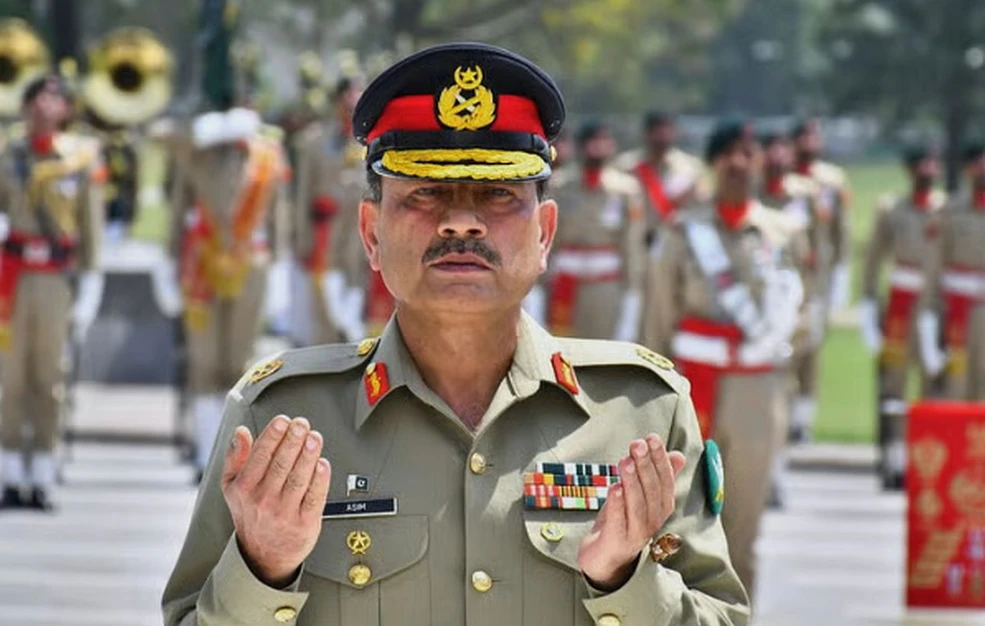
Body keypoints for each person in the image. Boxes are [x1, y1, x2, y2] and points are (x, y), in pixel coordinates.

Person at [162, 43, 748, 626]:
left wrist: (625, 582)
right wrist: (263, 572)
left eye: (497, 194)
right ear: (371, 233)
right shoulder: (279, 418)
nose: (461, 221)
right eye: (425, 192)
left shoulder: (642, 414)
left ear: (545, 234)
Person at [641, 118, 803, 598]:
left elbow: (805, 313)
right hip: (694, 387)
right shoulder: (683, 231)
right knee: (680, 527)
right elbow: (659, 319)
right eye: (727, 154)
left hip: (758, 391)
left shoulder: (784, 233)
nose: (738, 163)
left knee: (744, 529)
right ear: (713, 164)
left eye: (747, 152)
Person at [0, 75, 106, 511]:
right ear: (26, 107)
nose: (43, 106)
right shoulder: (8, 153)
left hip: (55, 280)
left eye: (53, 98)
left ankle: (42, 473)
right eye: (36, 98)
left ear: (65, 109)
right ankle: (10, 475)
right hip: (11, 277)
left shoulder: (80, 157)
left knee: (49, 378)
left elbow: (90, 224)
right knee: (10, 378)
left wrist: (91, 281)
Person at [861, 143, 947, 489]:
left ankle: (927, 460)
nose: (927, 170)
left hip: (933, 308)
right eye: (921, 163)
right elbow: (873, 259)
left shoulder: (946, 210)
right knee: (892, 386)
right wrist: (869, 305)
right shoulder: (891, 209)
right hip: (900, 303)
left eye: (932, 163)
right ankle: (893, 459)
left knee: (934, 384)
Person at [757, 130, 822, 505]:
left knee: (782, 391)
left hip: (789, 313)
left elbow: (812, 257)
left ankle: (775, 475)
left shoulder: (803, 200)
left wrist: (813, 304)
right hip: (751, 315)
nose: (777, 158)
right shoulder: (751, 200)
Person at [543, 121, 645, 340]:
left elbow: (632, 243)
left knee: (603, 347)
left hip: (606, 286)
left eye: (604, 141)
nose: (598, 147)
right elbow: (547, 239)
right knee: (563, 347)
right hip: (565, 283)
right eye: (593, 141)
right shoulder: (559, 186)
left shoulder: (626, 190)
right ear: (580, 146)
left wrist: (633, 292)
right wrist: (537, 287)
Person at [290, 76, 367, 346]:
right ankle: (326, 350)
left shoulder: (371, 140)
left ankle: (356, 350)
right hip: (326, 228)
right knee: (324, 297)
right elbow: (303, 193)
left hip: (359, 231)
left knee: (357, 290)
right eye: (347, 99)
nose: (351, 105)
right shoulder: (314, 140)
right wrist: (302, 237)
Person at [789, 118, 852, 440]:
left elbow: (841, 230)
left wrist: (841, 275)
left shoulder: (832, 181)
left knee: (810, 348)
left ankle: (803, 419)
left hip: (818, 278)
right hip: (788, 275)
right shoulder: (783, 178)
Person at [919, 141, 985, 401]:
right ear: (968, 170)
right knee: (956, 381)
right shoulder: (949, 212)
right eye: (978, 165)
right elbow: (935, 265)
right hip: (958, 309)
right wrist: (929, 312)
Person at [616, 111, 706, 242]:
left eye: (667, 130)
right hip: (637, 238)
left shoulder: (690, 167)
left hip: (675, 239)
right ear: (646, 133)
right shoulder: (627, 166)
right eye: (657, 130)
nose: (663, 135)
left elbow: (701, 205)